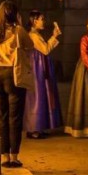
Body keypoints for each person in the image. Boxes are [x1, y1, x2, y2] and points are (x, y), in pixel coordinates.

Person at [0, 1, 33, 168]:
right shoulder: (18, 31)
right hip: (13, 74)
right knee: (15, 117)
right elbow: (30, 45)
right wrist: (19, 24)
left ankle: (4, 156)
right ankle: (14, 156)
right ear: (15, 14)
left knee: (2, 117)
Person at [24, 10, 64, 138]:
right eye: (41, 19)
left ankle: (37, 127)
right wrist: (54, 36)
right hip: (37, 70)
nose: (43, 21)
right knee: (38, 97)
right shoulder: (33, 35)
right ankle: (34, 128)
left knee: (39, 96)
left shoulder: (35, 34)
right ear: (35, 21)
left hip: (39, 67)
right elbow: (45, 49)